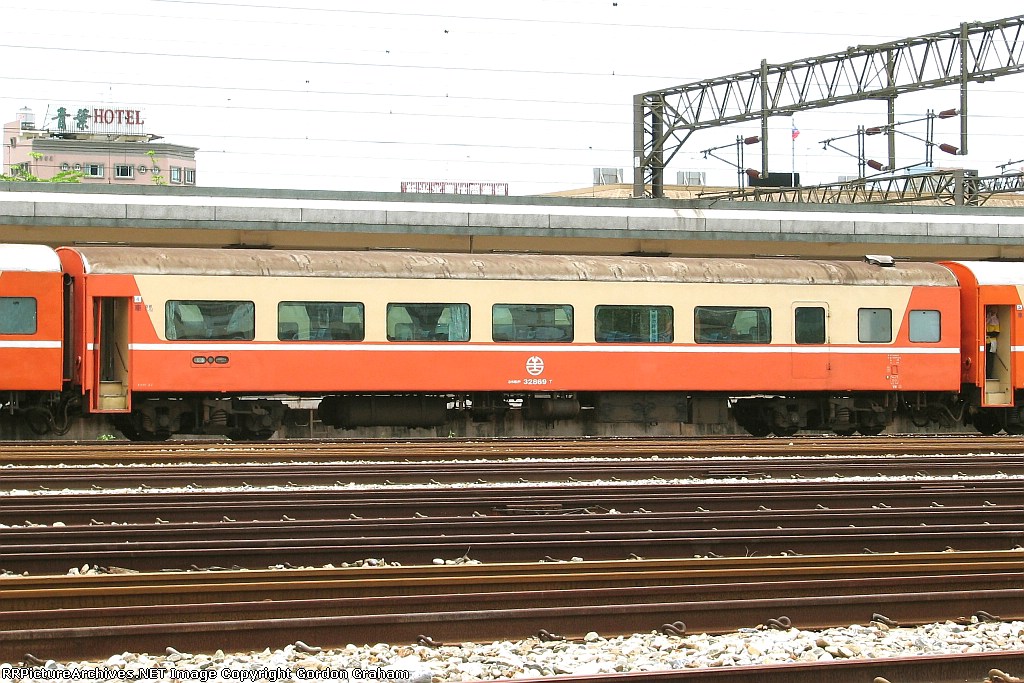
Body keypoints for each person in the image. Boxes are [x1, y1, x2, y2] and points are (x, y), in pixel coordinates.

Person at [986, 307, 1000, 379]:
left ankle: (988, 375)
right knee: (986, 359)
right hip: (985, 342)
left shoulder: (995, 320)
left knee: (990, 359)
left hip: (991, 343)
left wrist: (987, 334)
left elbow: (996, 332)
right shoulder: (987, 319)